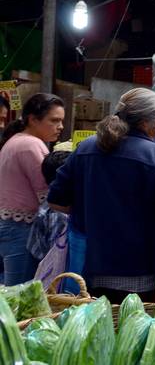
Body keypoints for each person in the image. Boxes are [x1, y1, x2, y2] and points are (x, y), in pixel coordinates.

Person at [48, 88, 155, 303]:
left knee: (96, 331)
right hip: (141, 269)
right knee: (131, 330)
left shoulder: (86, 148)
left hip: (90, 267)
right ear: (146, 122)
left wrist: (88, 211)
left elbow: (55, 199)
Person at [0, 93, 65, 285]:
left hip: (11, 225)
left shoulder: (18, 140)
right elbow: (48, 193)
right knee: (20, 293)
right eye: (54, 121)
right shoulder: (30, 145)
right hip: (20, 228)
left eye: (61, 121)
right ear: (33, 119)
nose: (60, 127)